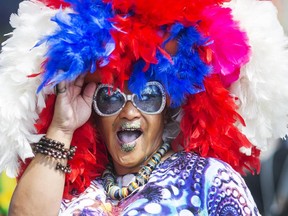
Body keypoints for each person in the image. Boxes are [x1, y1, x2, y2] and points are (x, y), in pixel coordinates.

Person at [1, 0, 288, 215]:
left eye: (148, 95)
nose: (129, 111)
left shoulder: (210, 179)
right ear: (95, 112)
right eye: (111, 97)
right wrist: (62, 129)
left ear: (167, 109)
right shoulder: (73, 191)